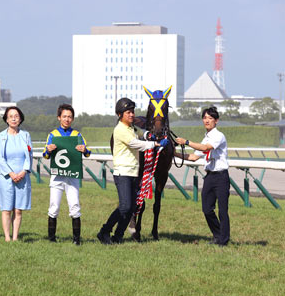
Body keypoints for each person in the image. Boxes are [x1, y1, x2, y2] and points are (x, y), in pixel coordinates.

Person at [97, 98, 166, 245]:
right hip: (123, 173)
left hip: (133, 173)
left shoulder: (131, 128)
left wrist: (150, 136)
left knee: (132, 207)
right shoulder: (120, 129)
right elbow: (135, 143)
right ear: (120, 114)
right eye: (128, 112)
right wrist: (155, 143)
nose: (132, 115)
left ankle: (118, 236)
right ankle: (104, 231)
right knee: (125, 206)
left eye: (132, 112)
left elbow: (142, 134)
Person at [174, 107, 230, 246]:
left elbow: (205, 148)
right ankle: (218, 235)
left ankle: (223, 240)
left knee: (222, 211)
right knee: (207, 209)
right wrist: (172, 153)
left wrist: (186, 142)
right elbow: (193, 157)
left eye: (210, 118)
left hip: (221, 177)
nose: (207, 121)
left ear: (216, 121)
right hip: (210, 177)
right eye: (205, 118)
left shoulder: (218, 136)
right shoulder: (206, 137)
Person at [43, 103, 91, 245]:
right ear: (59, 117)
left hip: (72, 176)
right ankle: (51, 238)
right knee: (54, 207)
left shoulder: (77, 135)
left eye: (70, 117)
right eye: (64, 116)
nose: (67, 119)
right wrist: (49, 150)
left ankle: (77, 239)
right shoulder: (52, 135)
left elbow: (88, 153)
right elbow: (45, 155)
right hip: (57, 176)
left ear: (73, 119)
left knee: (75, 206)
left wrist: (84, 150)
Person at [0, 106, 33, 242]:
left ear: (20, 118)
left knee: (18, 209)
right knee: (6, 209)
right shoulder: (1, 137)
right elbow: (0, 157)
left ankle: (15, 237)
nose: (13, 118)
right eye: (10, 116)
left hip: (22, 176)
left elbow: (29, 155)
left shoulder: (25, 135)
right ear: (6, 119)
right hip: (6, 177)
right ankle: (7, 237)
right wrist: (11, 173)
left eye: (16, 116)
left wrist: (23, 172)